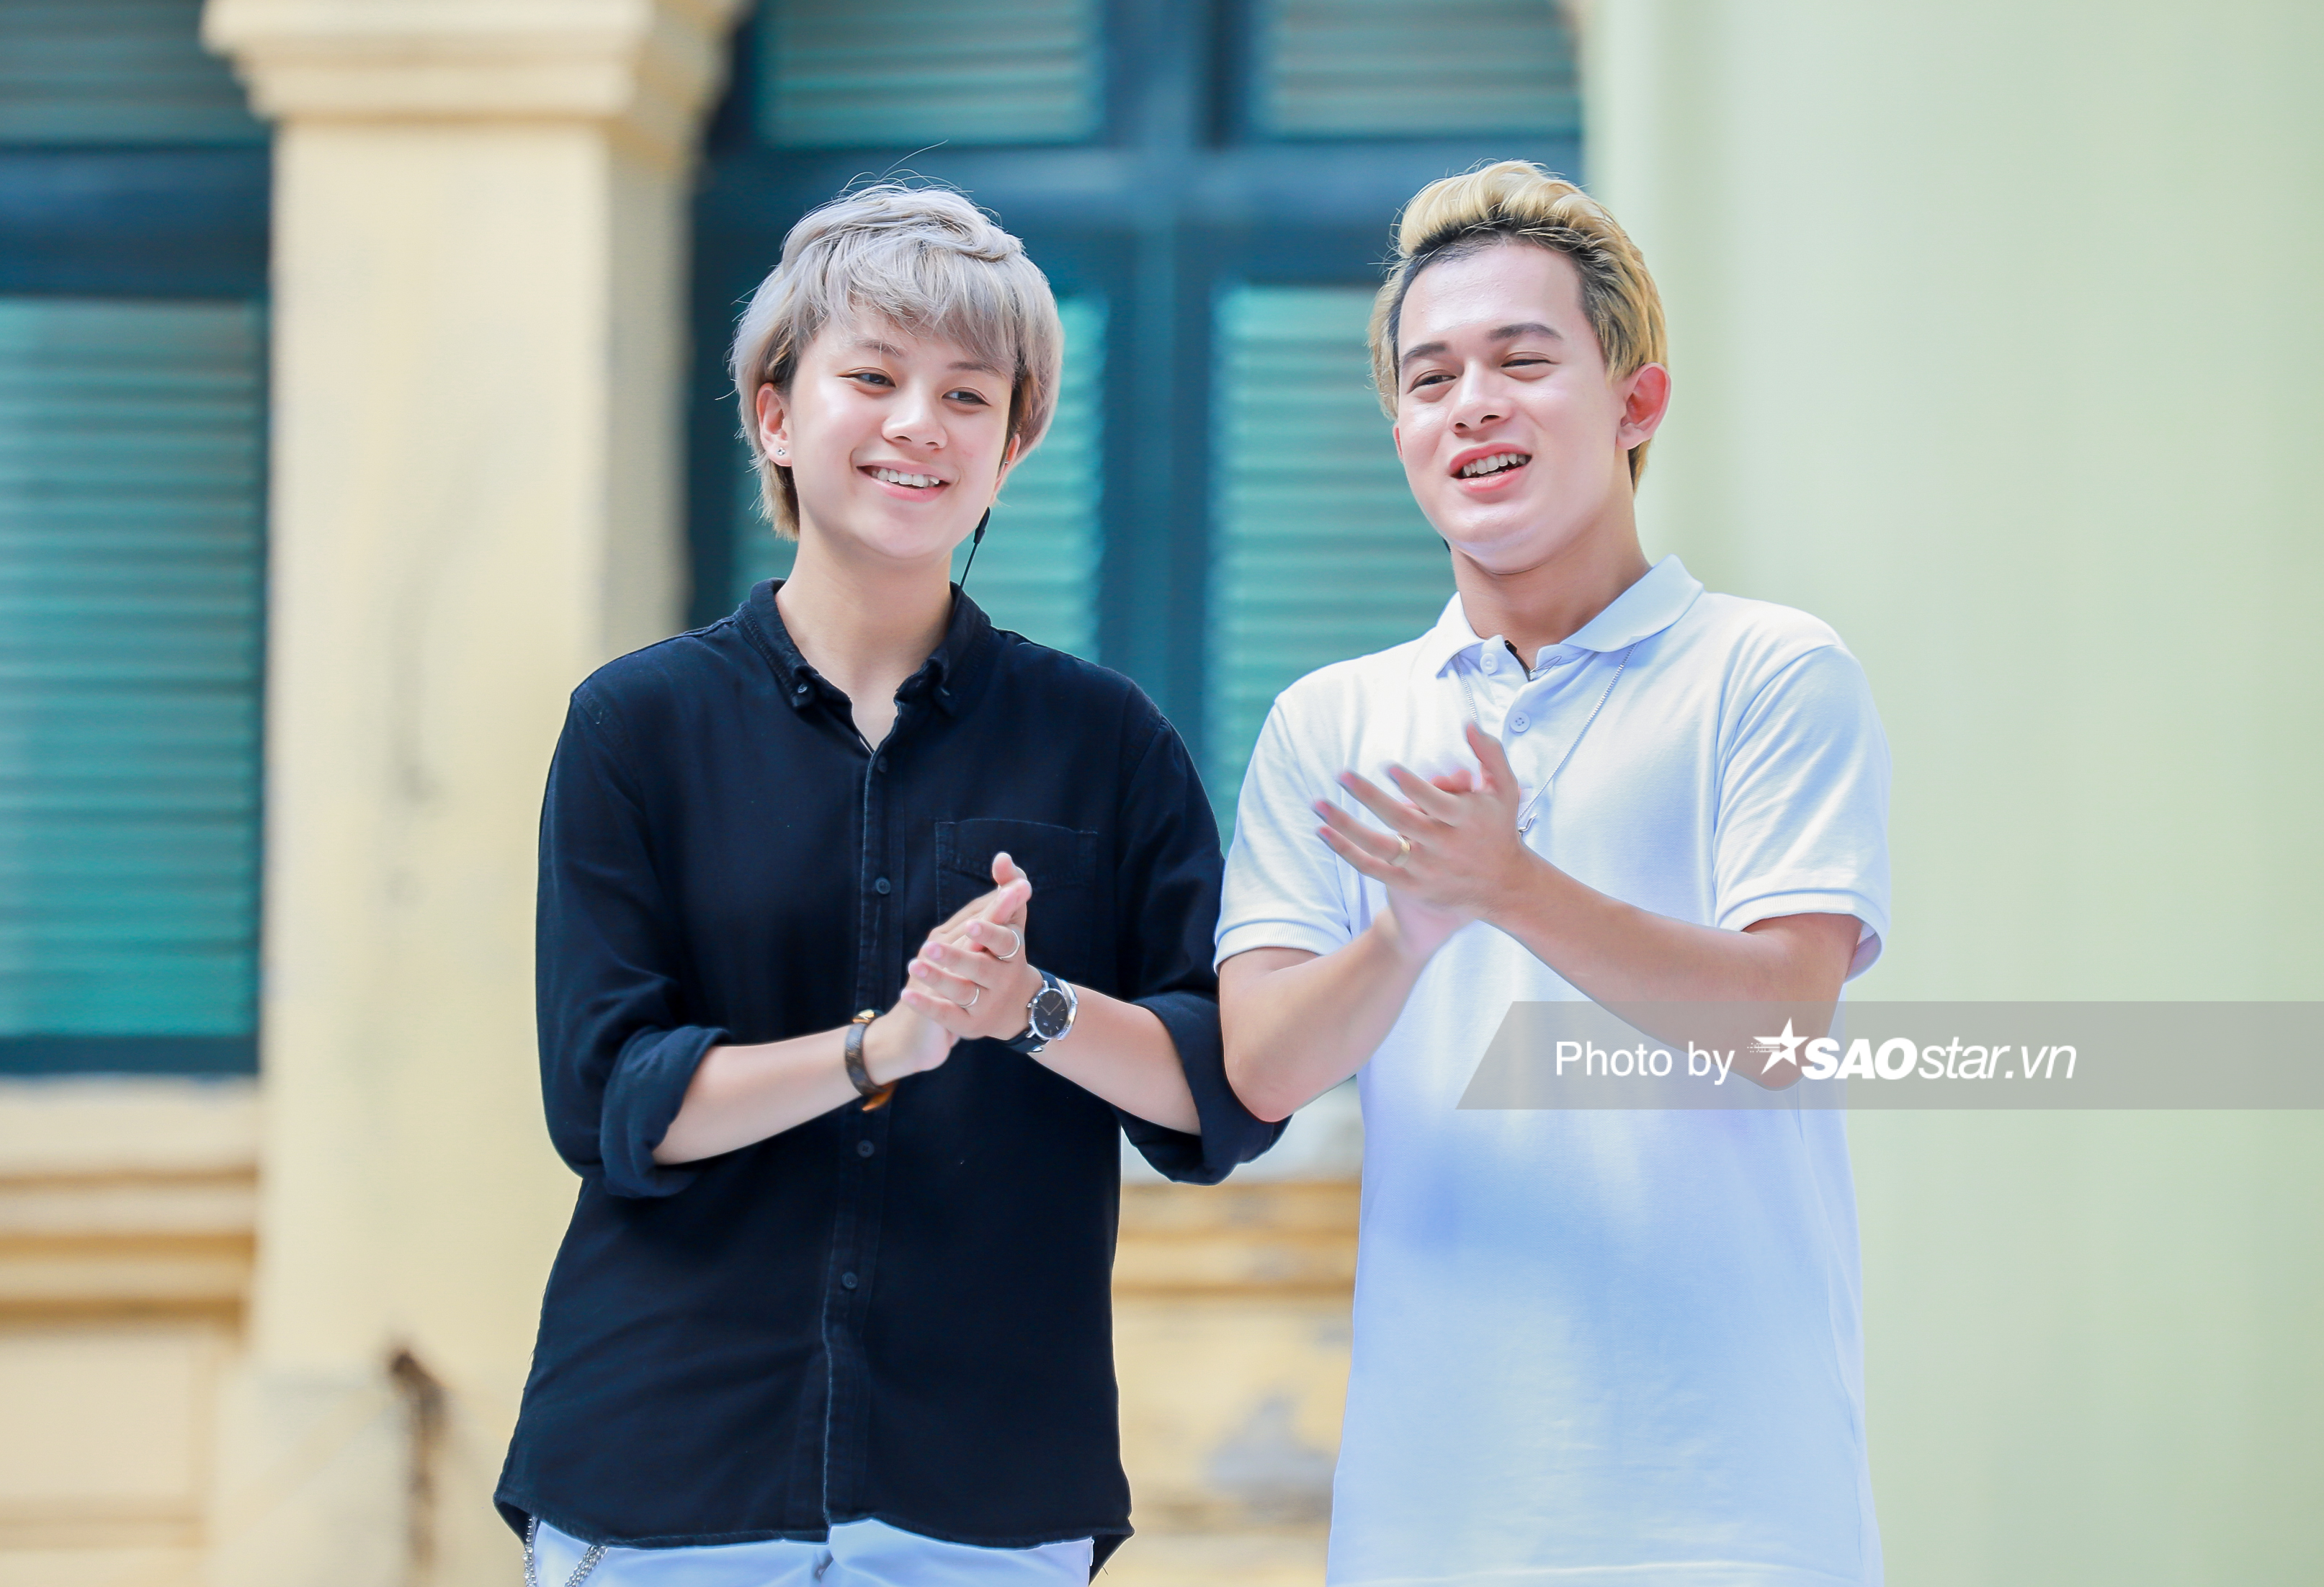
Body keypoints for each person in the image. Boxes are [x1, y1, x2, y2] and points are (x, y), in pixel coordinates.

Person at [496, 182, 1277, 1586]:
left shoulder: (1105, 743)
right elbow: (607, 1100)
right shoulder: (637, 726)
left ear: (1010, 447)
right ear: (776, 417)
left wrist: (1030, 1007)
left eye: (968, 395)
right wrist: (883, 1048)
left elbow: (1222, 1091)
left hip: (983, 1491)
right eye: (873, 377)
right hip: (666, 1475)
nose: (921, 421)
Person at [1215, 162, 1894, 1585]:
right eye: (1431, 378)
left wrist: (1510, 887)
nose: (1471, 403)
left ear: (1636, 403)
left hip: (1730, 1510)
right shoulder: (1330, 722)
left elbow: (1783, 1022)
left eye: (1522, 362)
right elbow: (1265, 1069)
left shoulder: (1771, 671)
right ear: (1402, 432)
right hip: (1430, 1514)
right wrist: (1405, 935)